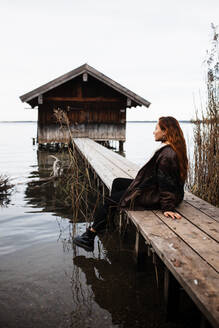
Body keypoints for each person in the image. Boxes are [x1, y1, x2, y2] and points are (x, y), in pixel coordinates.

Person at [73, 116, 188, 252]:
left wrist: (167, 207)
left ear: (165, 131)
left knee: (108, 201)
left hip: (157, 195)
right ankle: (108, 221)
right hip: (154, 187)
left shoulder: (167, 154)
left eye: (156, 128)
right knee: (118, 182)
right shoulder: (170, 149)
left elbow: (166, 182)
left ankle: (89, 237)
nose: (153, 132)